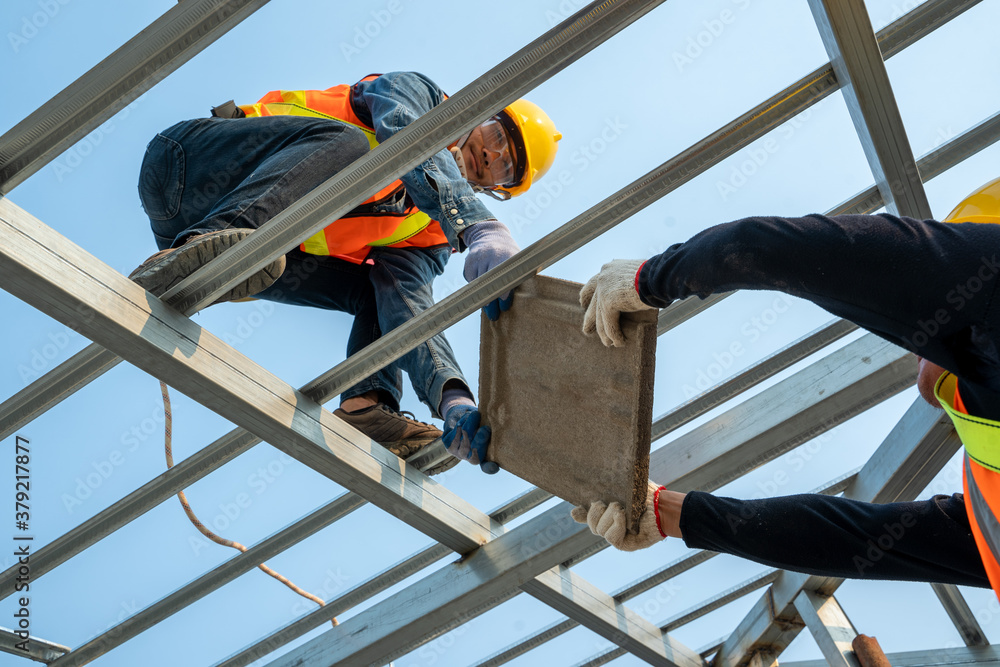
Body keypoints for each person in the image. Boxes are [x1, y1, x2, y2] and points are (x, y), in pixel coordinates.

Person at [574, 178, 1000, 596]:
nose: (915, 349)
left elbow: (804, 254)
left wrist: (652, 278)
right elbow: (855, 541)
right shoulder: (988, 485)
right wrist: (668, 514)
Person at [130, 71, 561, 474]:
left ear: (497, 188)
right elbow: (410, 135)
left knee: (381, 290)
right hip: (187, 164)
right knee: (351, 143)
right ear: (480, 117)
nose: (491, 155)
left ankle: (366, 407)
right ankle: (210, 248)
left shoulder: (428, 234)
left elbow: (409, 306)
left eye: (505, 165)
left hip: (214, 245)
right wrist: (476, 225)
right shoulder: (422, 98)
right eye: (497, 136)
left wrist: (451, 396)